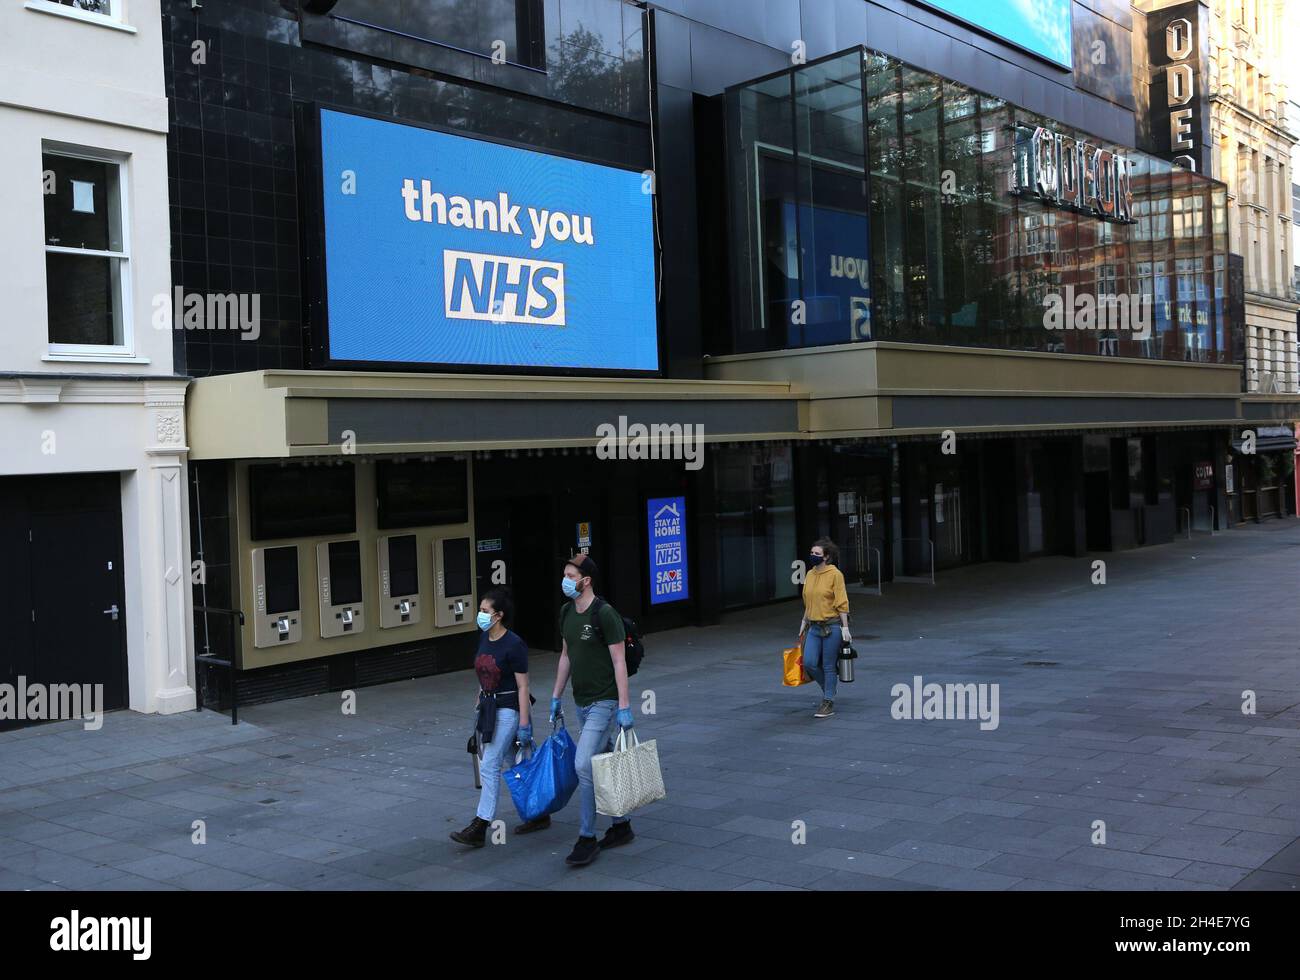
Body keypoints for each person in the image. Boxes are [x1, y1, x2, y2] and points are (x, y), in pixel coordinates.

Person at [549, 554, 635, 867]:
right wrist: (556, 696)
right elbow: (566, 656)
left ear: (586, 580)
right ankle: (621, 825)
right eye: (565, 574)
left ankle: (586, 838)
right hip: (581, 702)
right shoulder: (566, 612)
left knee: (584, 765)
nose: (566, 580)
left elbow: (619, 662)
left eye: (571, 575)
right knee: (605, 763)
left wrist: (624, 707)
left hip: (605, 702)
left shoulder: (605, 613)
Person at [450, 587, 549, 846]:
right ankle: (539, 812)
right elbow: (484, 675)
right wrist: (478, 704)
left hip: (508, 709)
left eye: (485, 611)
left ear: (499, 615)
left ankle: (480, 825)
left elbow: (523, 687)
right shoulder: (484, 638)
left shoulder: (514, 644)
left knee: (490, 764)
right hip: (488, 709)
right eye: (480, 610)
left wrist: (524, 723)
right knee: (514, 764)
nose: (480, 615)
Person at [797, 538, 851, 718]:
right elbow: (809, 601)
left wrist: (845, 628)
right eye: (811, 553)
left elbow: (841, 601)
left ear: (826, 557)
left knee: (828, 666)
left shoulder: (835, 575)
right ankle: (829, 689)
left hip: (832, 626)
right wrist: (804, 622)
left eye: (817, 554)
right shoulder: (810, 574)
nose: (812, 556)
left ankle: (828, 701)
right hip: (813, 626)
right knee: (810, 663)